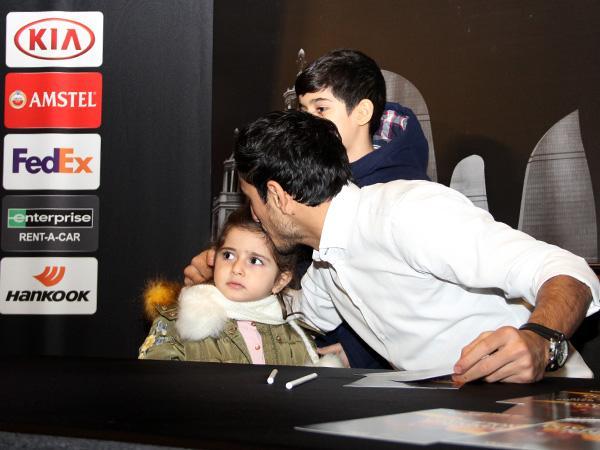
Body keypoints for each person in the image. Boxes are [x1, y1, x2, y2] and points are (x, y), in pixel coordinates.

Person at [232, 110, 599, 384]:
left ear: (277, 196)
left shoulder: (405, 213)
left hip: (550, 406)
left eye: (251, 199)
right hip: (458, 417)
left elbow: (567, 272)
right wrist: (218, 277)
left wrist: (541, 341)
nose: (254, 214)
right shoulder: (326, 265)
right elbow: (295, 314)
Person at [185, 49, 430, 369]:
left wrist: (359, 352)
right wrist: (227, 266)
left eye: (321, 109)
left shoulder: (404, 199)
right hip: (303, 345)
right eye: (304, 110)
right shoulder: (293, 181)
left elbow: (411, 300)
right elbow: (296, 281)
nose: (309, 121)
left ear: (362, 112)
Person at [139, 205, 333, 366]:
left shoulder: (296, 337)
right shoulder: (178, 322)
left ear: (280, 280)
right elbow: (153, 385)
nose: (237, 268)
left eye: (255, 261)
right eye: (228, 255)